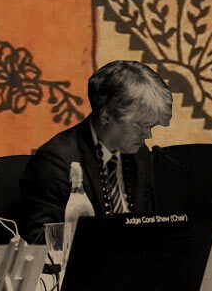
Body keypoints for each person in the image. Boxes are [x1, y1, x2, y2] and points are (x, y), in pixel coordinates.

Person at [17, 60, 173, 244]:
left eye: (151, 126)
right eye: (141, 125)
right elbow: (40, 240)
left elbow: (147, 223)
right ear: (106, 115)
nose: (148, 135)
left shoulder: (140, 155)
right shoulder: (56, 161)